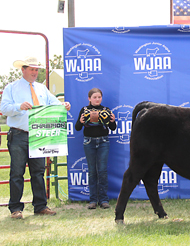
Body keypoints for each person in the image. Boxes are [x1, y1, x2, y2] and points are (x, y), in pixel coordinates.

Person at [1, 56, 71, 219]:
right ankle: (15, 209)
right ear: (23, 70)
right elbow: (4, 108)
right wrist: (19, 106)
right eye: (31, 69)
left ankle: (40, 205)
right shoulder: (11, 87)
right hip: (19, 133)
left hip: (39, 135)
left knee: (38, 172)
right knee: (17, 172)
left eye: (36, 69)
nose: (34, 72)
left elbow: (54, 104)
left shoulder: (42, 88)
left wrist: (63, 106)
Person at [75, 88, 116, 209]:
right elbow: (77, 127)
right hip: (89, 142)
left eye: (99, 97)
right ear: (89, 98)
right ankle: (93, 200)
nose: (97, 99)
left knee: (102, 171)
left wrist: (113, 121)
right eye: (94, 97)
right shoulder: (84, 110)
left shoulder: (106, 110)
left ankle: (104, 200)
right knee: (92, 171)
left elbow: (113, 127)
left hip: (103, 141)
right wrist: (81, 121)